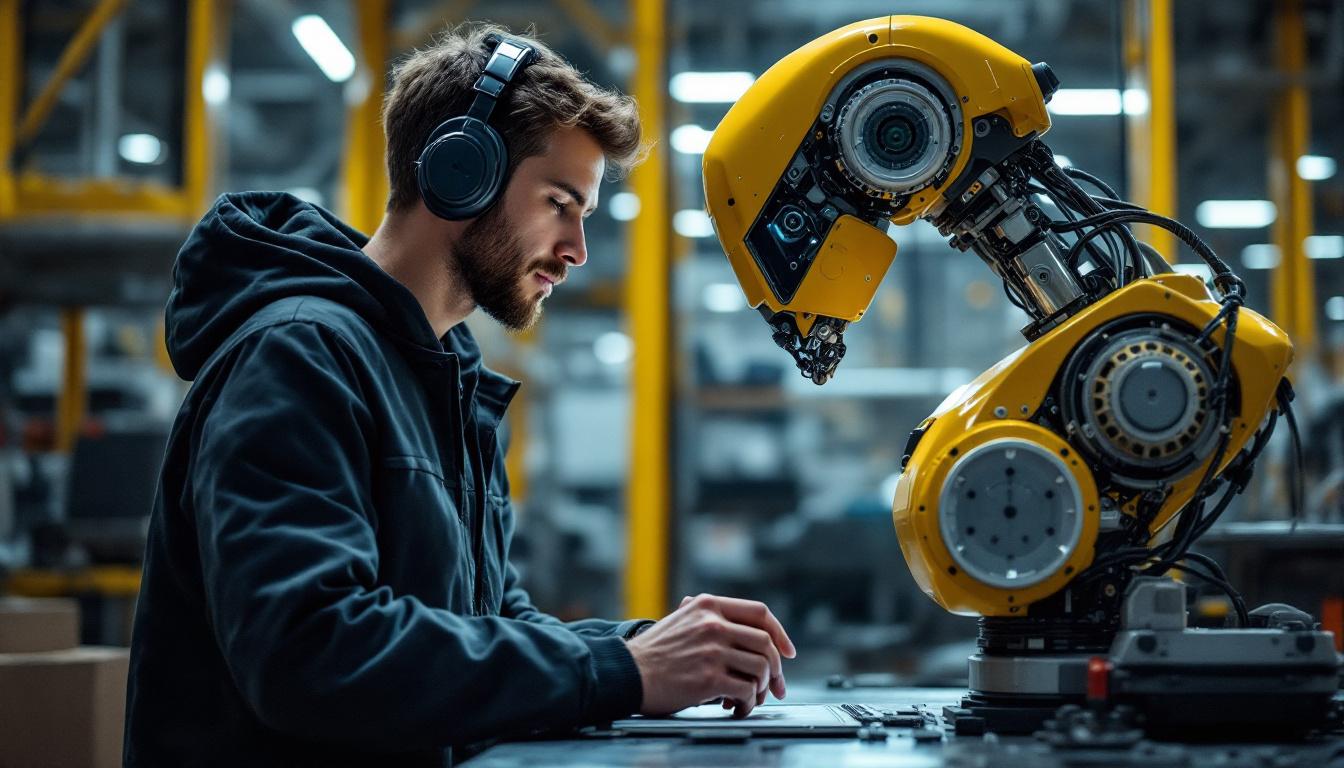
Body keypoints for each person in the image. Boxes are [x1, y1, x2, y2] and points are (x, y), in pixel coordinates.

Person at [123, 22, 795, 767]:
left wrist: (644, 645)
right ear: (460, 171)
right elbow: (309, 651)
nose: (576, 248)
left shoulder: (442, 376)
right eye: (558, 202)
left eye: (584, 215)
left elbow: (486, 624)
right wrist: (621, 674)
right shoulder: (298, 356)